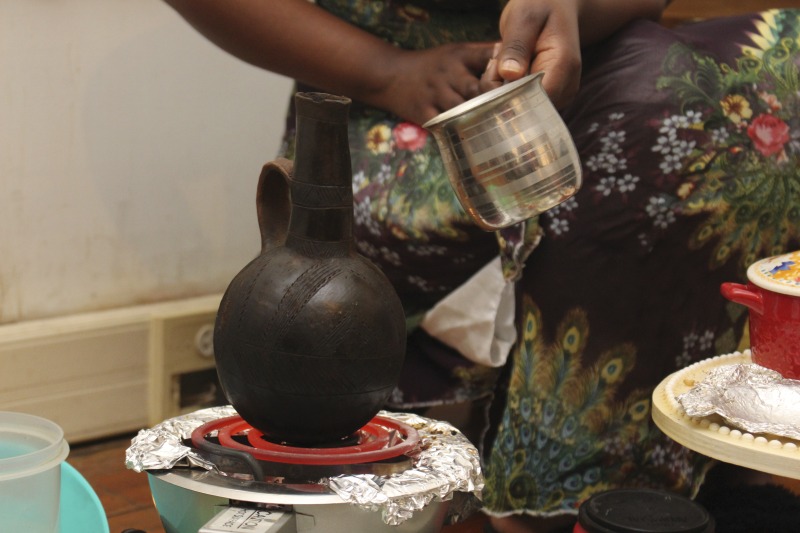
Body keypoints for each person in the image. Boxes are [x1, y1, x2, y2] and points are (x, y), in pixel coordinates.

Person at [163, 1, 800, 532]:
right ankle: (558, 504)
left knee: (720, 84)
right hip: (390, 97)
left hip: (587, 66)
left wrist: (569, 10)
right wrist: (385, 71)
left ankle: (631, 489)